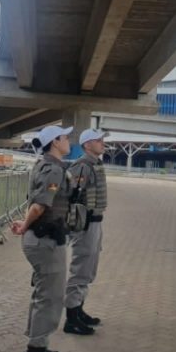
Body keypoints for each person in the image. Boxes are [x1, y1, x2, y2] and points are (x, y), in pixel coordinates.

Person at [10, 125, 92, 352]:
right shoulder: (54, 168)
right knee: (51, 299)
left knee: (43, 295)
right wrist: (24, 225)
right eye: (65, 137)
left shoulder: (46, 164)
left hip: (44, 239)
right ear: (55, 142)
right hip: (45, 242)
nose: (69, 140)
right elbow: (39, 205)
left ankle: (37, 348)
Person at [64, 128, 108, 330]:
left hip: (95, 222)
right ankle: (72, 319)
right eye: (98, 140)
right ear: (87, 145)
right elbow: (71, 196)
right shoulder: (82, 166)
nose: (102, 143)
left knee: (89, 269)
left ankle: (79, 310)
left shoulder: (95, 164)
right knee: (81, 268)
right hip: (85, 224)